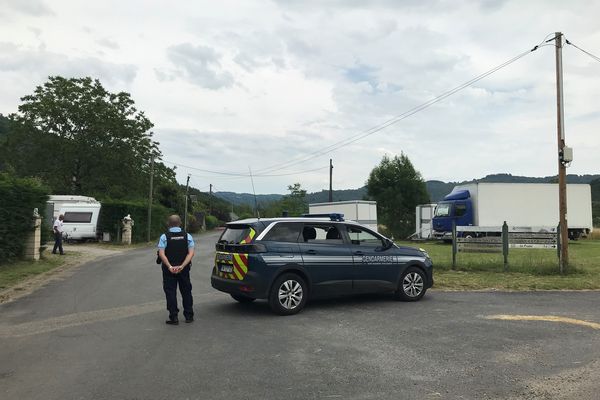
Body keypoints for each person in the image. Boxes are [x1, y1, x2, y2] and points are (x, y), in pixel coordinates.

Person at [157, 215, 195, 325]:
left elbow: (161, 254)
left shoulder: (164, 237)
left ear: (168, 224)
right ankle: (189, 316)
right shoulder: (187, 236)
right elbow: (191, 253)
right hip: (184, 269)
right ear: (180, 223)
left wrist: (170, 266)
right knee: (186, 291)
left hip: (169, 270)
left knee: (170, 292)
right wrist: (182, 266)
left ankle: (173, 317)